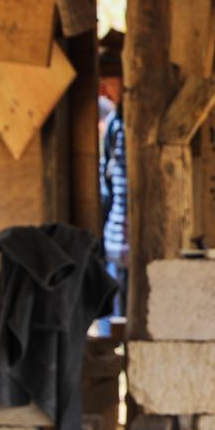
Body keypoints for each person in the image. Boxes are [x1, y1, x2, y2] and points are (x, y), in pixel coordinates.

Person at [97, 46, 127, 336]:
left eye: (110, 80)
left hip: (132, 243)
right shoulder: (115, 124)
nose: (104, 89)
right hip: (114, 243)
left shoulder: (129, 125)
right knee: (109, 328)